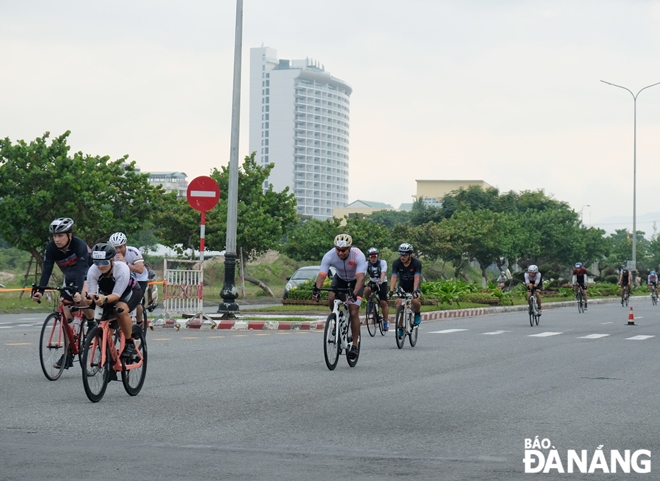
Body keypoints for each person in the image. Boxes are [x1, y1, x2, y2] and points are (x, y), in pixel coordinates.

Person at [31, 217, 94, 369]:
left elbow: (81, 271)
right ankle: (69, 354)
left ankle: (92, 323)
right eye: (54, 236)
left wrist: (78, 292)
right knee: (66, 317)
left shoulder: (80, 246)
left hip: (87, 274)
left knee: (83, 298)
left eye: (60, 236)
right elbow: (46, 270)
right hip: (70, 277)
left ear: (69, 236)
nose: (57, 239)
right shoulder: (51, 248)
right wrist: (40, 291)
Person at [311, 234, 367, 361]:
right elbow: (321, 275)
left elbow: (360, 278)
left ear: (349, 248)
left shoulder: (358, 255)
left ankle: (354, 345)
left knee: (353, 311)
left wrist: (355, 293)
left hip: (355, 281)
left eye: (343, 250)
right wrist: (317, 291)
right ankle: (336, 317)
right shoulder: (329, 255)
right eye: (338, 250)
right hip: (340, 278)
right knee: (331, 296)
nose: (340, 253)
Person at [84, 243, 143, 359]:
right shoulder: (93, 270)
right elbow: (91, 292)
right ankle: (109, 361)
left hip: (129, 292)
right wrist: (89, 299)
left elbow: (116, 296)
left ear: (112, 260)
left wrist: (104, 299)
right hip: (107, 295)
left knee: (120, 310)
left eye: (104, 262)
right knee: (102, 328)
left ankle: (129, 342)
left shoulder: (121, 269)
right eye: (97, 262)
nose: (100, 266)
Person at [108, 232, 149, 327]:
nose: (117, 250)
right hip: (124, 278)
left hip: (139, 279)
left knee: (137, 302)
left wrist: (125, 263)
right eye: (115, 248)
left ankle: (139, 323)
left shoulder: (133, 252)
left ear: (125, 245)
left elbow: (140, 269)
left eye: (120, 247)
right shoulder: (111, 253)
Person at [389, 243, 422, 338]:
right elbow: (394, 277)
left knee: (415, 300)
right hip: (403, 285)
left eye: (405, 255)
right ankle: (400, 327)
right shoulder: (396, 263)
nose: (402, 257)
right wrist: (391, 291)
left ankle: (417, 314)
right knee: (399, 303)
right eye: (401, 254)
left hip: (413, 285)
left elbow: (417, 277)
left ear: (410, 255)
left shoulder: (416, 263)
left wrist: (415, 291)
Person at [362, 247, 390, 331]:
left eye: (375, 256)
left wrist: (380, 281)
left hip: (382, 282)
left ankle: (385, 321)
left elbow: (383, 272)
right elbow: (362, 274)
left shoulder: (382, 262)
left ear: (377, 256)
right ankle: (370, 303)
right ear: (369, 257)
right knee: (367, 290)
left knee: (383, 302)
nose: (373, 259)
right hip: (372, 281)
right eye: (371, 257)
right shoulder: (366, 264)